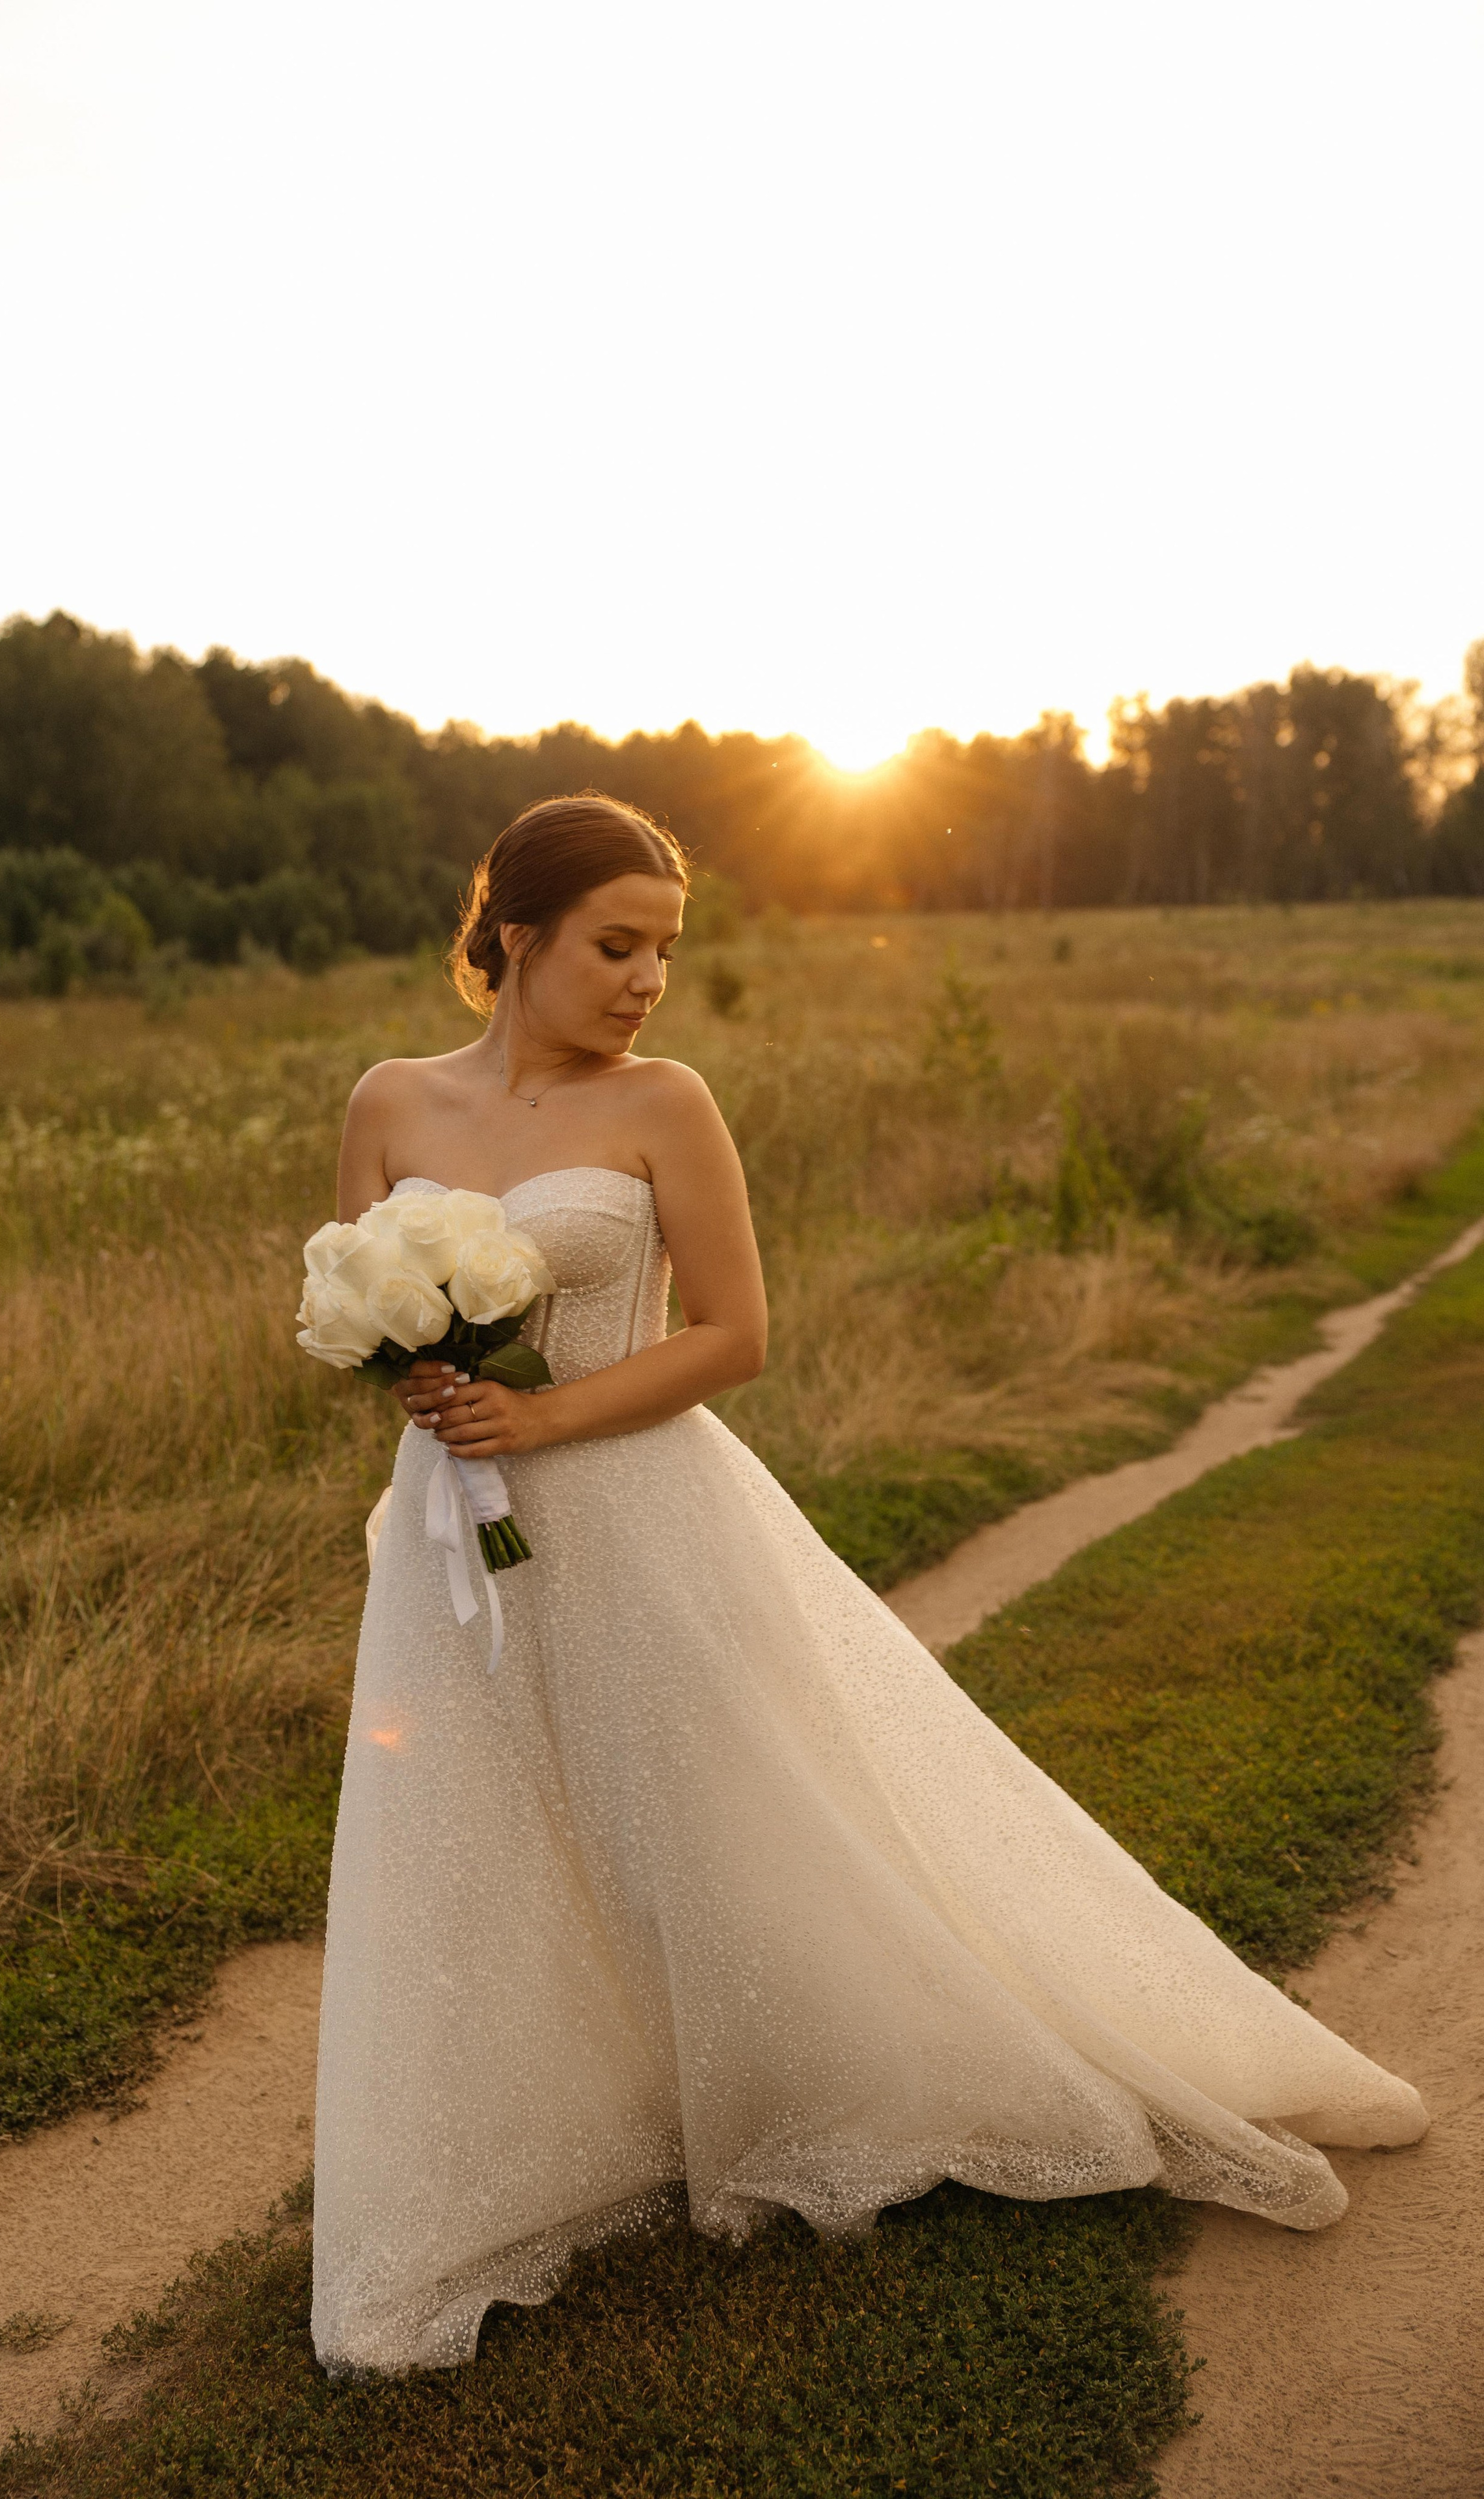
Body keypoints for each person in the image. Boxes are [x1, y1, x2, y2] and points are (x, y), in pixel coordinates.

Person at [311, 793, 1425, 2377]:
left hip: (634, 1505)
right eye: (616, 946)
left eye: (667, 952)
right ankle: (532, 2141)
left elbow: (730, 1338)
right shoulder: (387, 1098)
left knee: (712, 1816)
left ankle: (799, 2087)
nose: (648, 981)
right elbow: (351, 1289)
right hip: (453, 1524)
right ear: (512, 937)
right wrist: (419, 1380)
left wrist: (545, 1410)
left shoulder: (665, 1103)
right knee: (486, 1832)